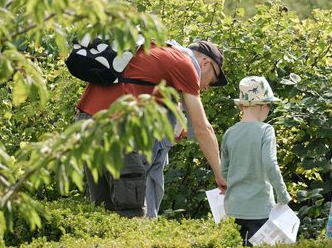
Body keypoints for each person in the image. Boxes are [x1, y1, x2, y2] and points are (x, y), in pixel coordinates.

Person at [76, 39, 228, 218]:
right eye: (212, 80)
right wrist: (220, 175)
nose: (207, 87)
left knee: (103, 211)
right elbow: (203, 129)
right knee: (132, 214)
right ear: (206, 63)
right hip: (116, 129)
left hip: (86, 122)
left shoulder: (158, 49)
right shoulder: (185, 64)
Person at [220, 76, 291, 246]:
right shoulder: (266, 130)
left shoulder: (230, 133)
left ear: (242, 105)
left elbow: (223, 172)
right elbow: (270, 164)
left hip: (232, 209)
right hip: (259, 209)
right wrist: (282, 195)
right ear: (263, 106)